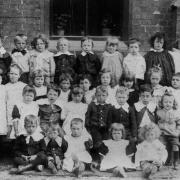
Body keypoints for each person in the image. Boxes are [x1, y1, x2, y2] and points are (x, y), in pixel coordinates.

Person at [85, 86, 112, 162]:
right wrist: (88, 128)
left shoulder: (109, 106)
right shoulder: (92, 105)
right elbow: (87, 117)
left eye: (103, 95)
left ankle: (104, 159)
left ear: (107, 96)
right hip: (94, 128)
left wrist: (109, 128)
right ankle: (96, 159)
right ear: (96, 95)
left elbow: (109, 119)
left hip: (105, 128)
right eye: (99, 95)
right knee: (97, 141)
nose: (101, 97)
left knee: (106, 141)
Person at [156, 91, 180, 169]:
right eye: (165, 102)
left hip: (173, 134)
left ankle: (175, 162)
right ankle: (161, 161)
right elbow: (156, 123)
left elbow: (178, 123)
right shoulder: (159, 112)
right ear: (162, 103)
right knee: (161, 146)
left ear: (173, 103)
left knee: (175, 146)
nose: (168, 104)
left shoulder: (176, 113)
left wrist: (177, 131)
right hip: (162, 134)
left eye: (170, 102)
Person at [6, 64, 27, 138]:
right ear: (8, 74)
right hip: (9, 111)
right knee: (8, 132)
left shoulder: (24, 86)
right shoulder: (5, 87)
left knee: (19, 131)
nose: (13, 76)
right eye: (11, 73)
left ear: (19, 76)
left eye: (15, 74)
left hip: (20, 111)